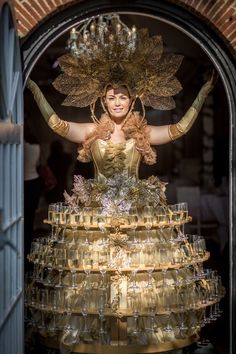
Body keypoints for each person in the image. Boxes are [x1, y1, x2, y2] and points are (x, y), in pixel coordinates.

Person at [25, 15, 219, 354]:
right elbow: (56, 124)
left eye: (123, 97)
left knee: (144, 273)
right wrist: (34, 88)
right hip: (97, 212)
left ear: (133, 101)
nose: (117, 102)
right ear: (103, 99)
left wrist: (202, 94)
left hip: (137, 211)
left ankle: (138, 334)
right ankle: (96, 331)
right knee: (91, 272)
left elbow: (178, 130)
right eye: (112, 96)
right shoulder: (90, 131)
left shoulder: (141, 133)